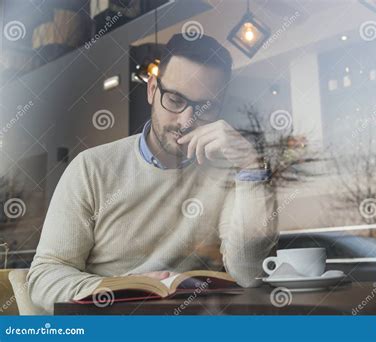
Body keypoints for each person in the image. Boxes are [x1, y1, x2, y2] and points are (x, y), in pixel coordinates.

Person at [27, 34, 277, 313]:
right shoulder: (91, 168)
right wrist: (116, 289)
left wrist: (252, 167)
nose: (186, 120)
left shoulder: (231, 172)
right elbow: (43, 277)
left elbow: (249, 273)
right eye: (175, 99)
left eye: (205, 108)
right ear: (152, 90)